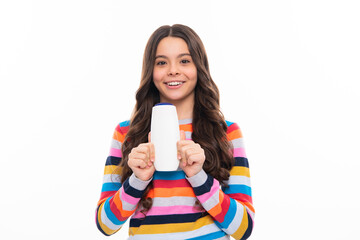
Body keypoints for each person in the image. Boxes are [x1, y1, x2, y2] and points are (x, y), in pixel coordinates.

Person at [95, 24, 254, 240]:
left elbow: (243, 228)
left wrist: (198, 176)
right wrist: (138, 179)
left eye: (184, 61)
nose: (173, 70)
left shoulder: (226, 133)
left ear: (199, 67)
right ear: (151, 71)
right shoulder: (126, 133)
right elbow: (106, 225)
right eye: (161, 62)